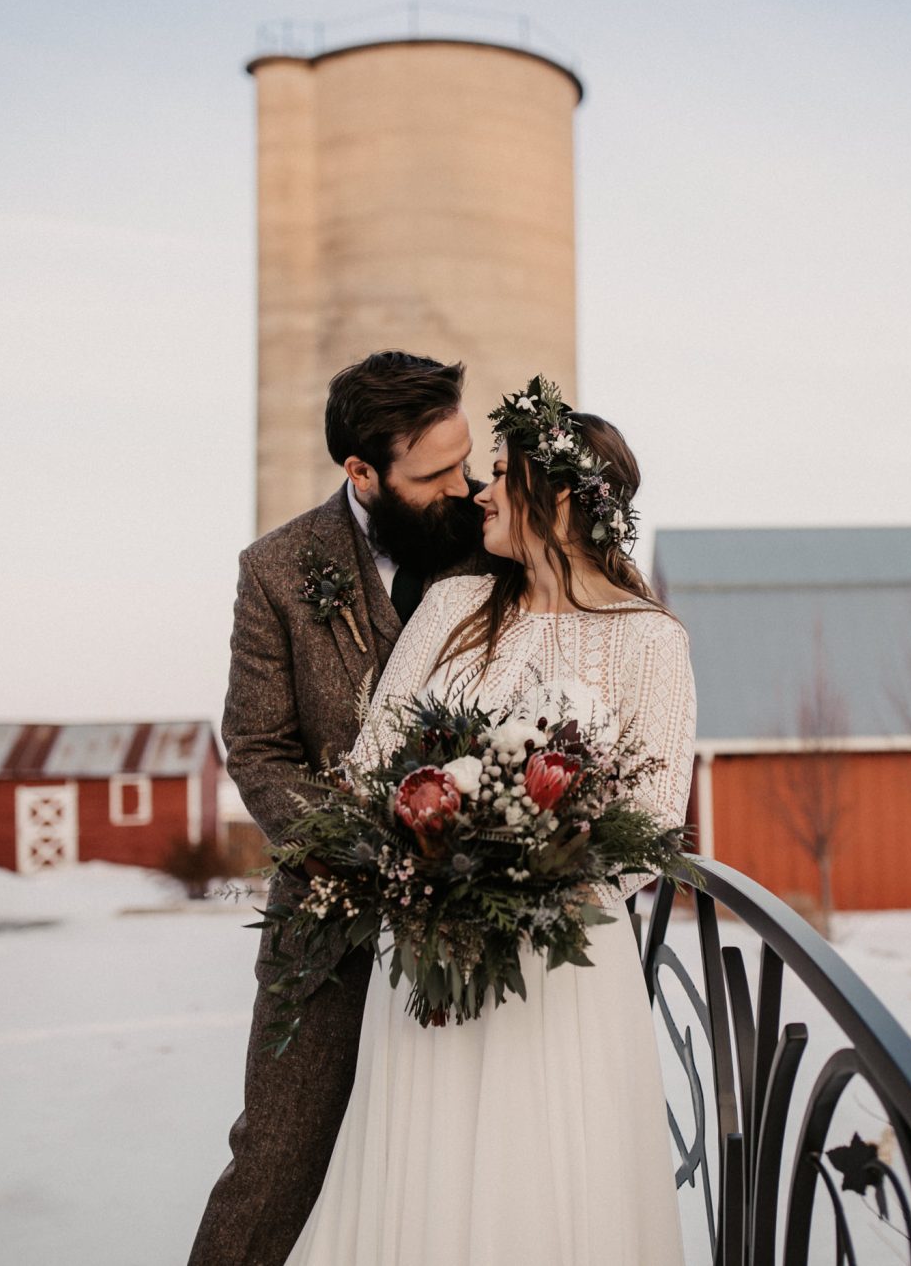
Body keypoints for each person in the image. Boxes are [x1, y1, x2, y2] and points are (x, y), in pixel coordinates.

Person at [281, 375, 695, 1266]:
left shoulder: (652, 641)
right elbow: (373, 759)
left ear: (553, 498)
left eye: (500, 472)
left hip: (563, 976)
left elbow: (654, 820)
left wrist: (520, 883)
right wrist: (432, 866)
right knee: (419, 1190)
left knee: (546, 1194)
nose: (481, 489)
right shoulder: (452, 606)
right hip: (425, 959)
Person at [187, 350, 491, 1266]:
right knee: (277, 1160)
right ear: (361, 471)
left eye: (466, 459)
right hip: (326, 927)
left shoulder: (499, 539)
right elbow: (259, 749)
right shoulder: (278, 568)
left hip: (482, 925)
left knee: (457, 1170)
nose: (464, 485)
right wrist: (368, 853)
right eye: (435, 473)